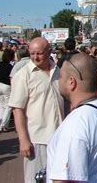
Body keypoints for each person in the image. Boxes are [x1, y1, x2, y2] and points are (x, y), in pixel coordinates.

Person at [47, 54, 97, 183]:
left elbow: (65, 180)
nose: (59, 81)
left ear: (71, 82)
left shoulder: (75, 125)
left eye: (61, 77)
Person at [9, 37, 64, 183]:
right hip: (37, 139)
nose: (35, 57)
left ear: (49, 52)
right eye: (32, 53)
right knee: (35, 179)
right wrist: (23, 140)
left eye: (39, 53)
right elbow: (17, 109)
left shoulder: (58, 71)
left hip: (59, 137)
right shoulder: (23, 75)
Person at [0, 48, 15, 131]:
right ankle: (4, 125)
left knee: (1, 106)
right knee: (8, 106)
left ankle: (0, 123)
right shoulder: (11, 66)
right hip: (6, 86)